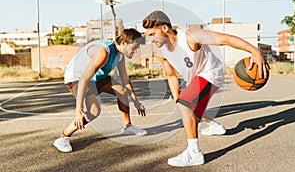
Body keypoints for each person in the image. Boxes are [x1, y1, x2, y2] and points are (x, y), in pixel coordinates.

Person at [143, 10, 269, 167]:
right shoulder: (161, 51)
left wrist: (254, 51)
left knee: (186, 104)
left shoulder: (190, 36)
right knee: (191, 109)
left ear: (164, 28)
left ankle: (194, 153)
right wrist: (176, 97)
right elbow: (171, 75)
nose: (150, 39)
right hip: (196, 78)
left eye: (152, 34)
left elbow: (226, 39)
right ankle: (214, 126)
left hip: (211, 73)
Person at [53, 28, 147, 153]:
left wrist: (136, 101)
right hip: (77, 78)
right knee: (94, 111)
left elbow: (125, 80)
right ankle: (63, 137)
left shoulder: (120, 56)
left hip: (95, 78)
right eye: (134, 48)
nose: (135, 52)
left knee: (122, 90)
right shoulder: (103, 52)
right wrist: (78, 110)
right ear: (124, 43)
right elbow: (83, 79)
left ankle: (128, 126)